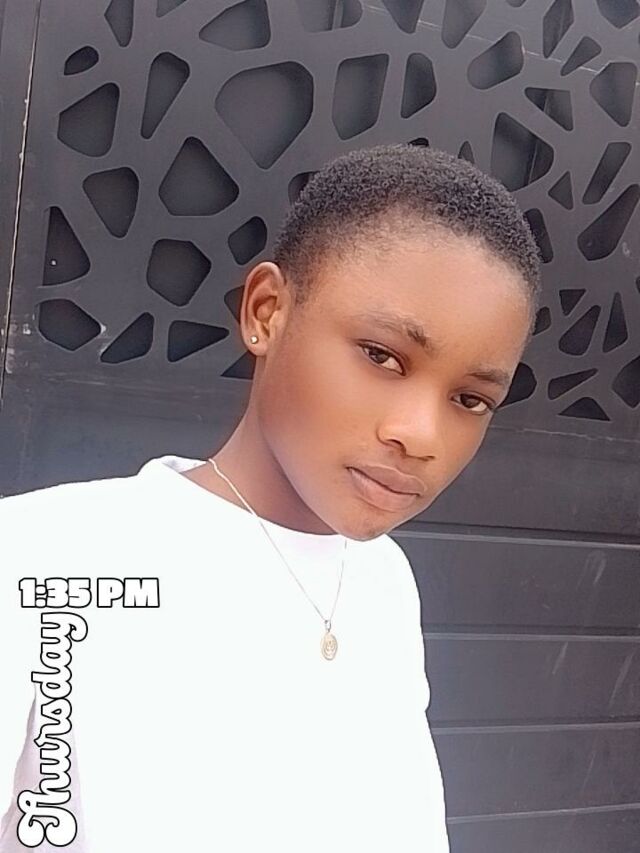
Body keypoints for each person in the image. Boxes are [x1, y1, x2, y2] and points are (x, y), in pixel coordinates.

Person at [0, 143, 540, 852]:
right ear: (266, 311)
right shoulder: (41, 557)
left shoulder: (384, 578)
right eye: (382, 356)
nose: (420, 434)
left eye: (470, 399)